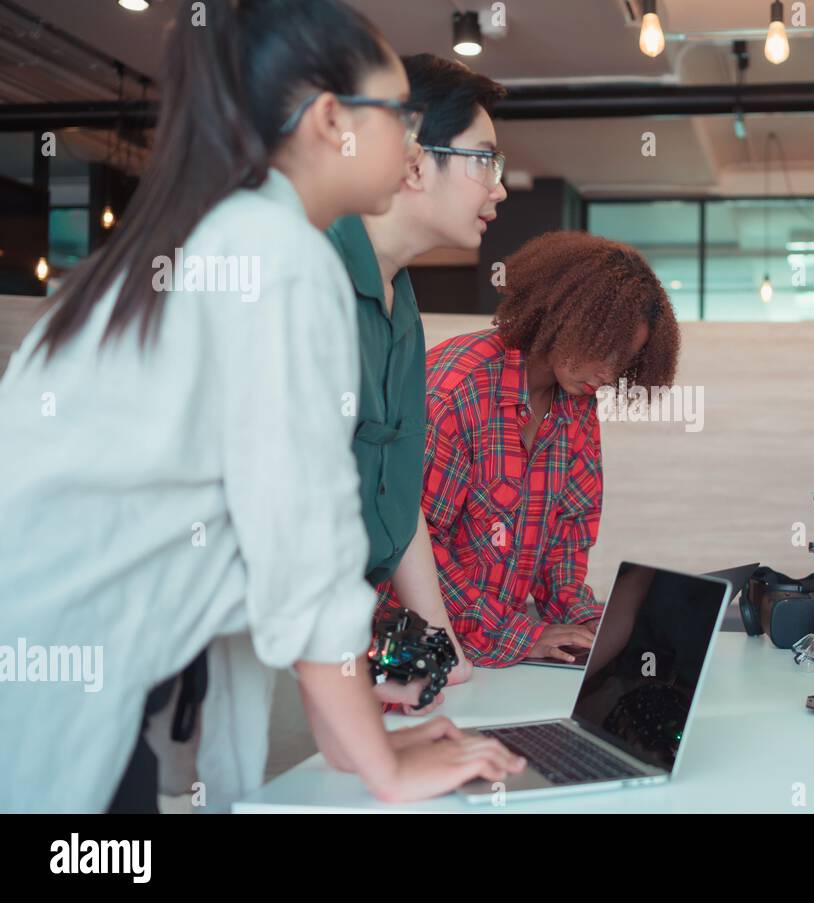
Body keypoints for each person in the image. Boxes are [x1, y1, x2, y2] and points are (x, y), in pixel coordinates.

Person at [0, 0, 520, 812]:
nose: (410, 146)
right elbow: (305, 550)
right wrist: (384, 768)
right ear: (329, 122)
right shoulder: (275, 255)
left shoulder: (220, 236)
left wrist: (360, 740)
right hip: (76, 677)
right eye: (396, 118)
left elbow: (291, 546)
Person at [379, 231, 681, 667]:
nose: (610, 373)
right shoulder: (455, 393)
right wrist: (516, 634)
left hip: (497, 656)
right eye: (606, 350)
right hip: (412, 655)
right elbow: (415, 544)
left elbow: (568, 533)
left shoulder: (576, 405)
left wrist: (586, 621)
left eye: (625, 362)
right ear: (564, 316)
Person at [326, 53, 508, 711]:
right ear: (412, 161)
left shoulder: (401, 303)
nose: (500, 187)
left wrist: (444, 648)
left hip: (316, 632)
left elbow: (398, 501)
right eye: (483, 160)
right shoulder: (306, 272)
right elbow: (291, 520)